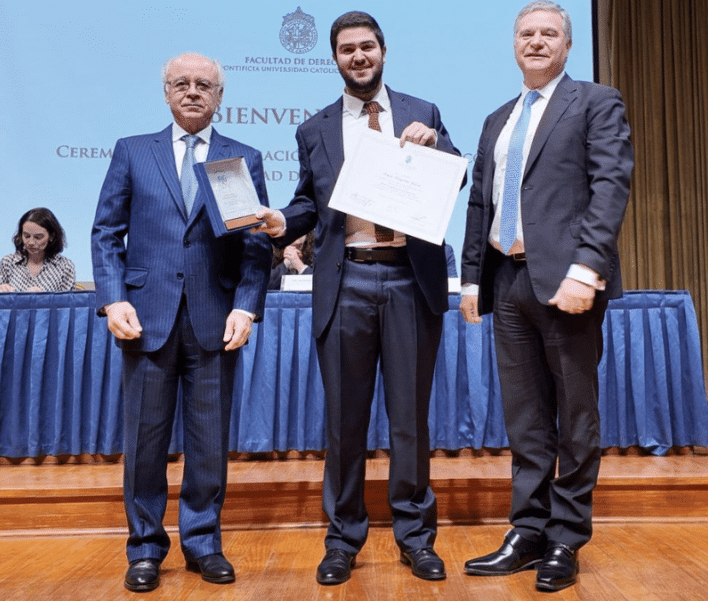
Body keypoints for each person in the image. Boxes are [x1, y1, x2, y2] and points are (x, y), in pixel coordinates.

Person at [253, 10, 460, 586]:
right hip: (345, 285)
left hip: (409, 281)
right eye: (347, 50)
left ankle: (416, 538)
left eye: (367, 47)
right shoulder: (314, 128)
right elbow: (308, 206)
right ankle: (342, 539)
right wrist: (279, 222)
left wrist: (435, 145)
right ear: (335, 58)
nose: (358, 57)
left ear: (384, 51)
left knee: (409, 423)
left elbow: (456, 177)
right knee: (344, 424)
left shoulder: (424, 112)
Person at [459, 1, 633, 593]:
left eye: (549, 33)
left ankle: (565, 537)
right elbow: (480, 202)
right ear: (514, 44)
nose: (537, 42)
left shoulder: (596, 101)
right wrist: (473, 279)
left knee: (575, 417)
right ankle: (527, 531)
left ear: (567, 45)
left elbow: (610, 186)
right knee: (526, 419)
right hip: (507, 283)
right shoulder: (496, 119)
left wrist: (588, 268)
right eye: (527, 33)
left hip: (567, 285)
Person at [90, 52, 271, 592]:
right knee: (145, 441)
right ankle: (145, 548)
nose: (193, 92)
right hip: (145, 319)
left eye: (204, 85)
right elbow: (105, 233)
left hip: (216, 320)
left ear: (220, 97)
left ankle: (203, 543)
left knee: (209, 441)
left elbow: (254, 246)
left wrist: (246, 304)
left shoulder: (243, 157)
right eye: (182, 84)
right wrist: (113, 297)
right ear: (166, 92)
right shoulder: (131, 152)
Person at [0, 207, 76, 292]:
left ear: (51, 236)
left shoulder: (65, 267)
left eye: (38, 237)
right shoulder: (8, 263)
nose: (31, 242)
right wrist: (0, 292)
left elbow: (66, 303)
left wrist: (43, 299)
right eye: (26, 236)